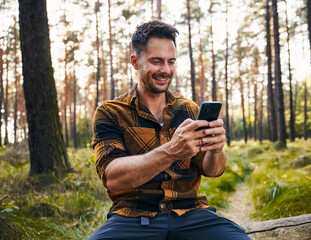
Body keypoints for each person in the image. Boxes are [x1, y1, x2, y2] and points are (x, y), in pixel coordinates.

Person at [89, 20, 250, 240]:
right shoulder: (110, 112)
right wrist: (172, 150)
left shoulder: (189, 109)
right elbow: (113, 177)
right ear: (136, 63)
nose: (166, 70)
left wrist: (215, 150)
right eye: (157, 61)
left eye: (171, 62)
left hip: (191, 214)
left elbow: (213, 170)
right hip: (133, 217)